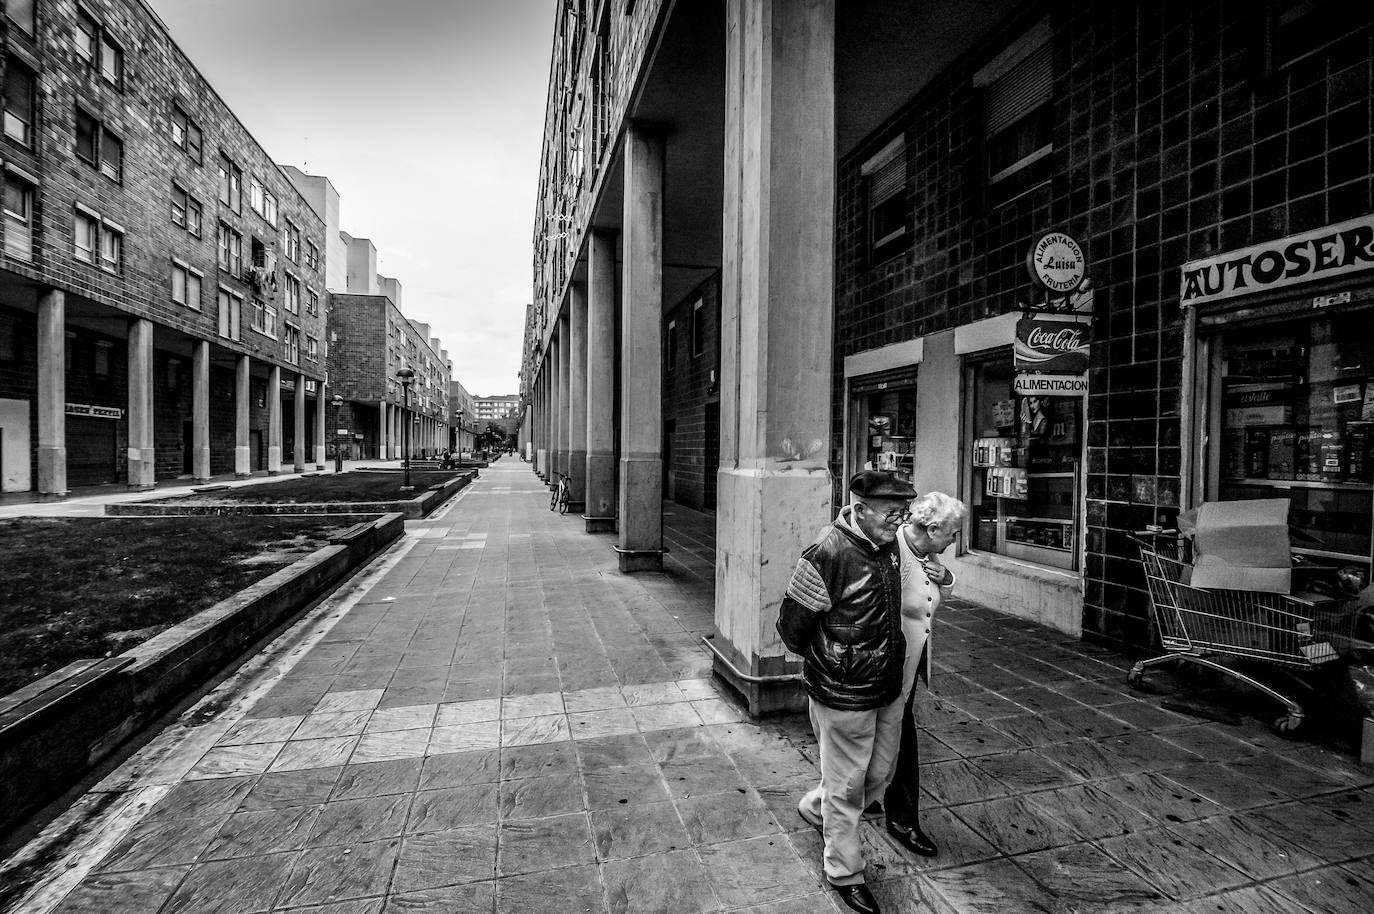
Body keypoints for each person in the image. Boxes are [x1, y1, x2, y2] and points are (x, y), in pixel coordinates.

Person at [777, 470, 916, 914]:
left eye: (903, 512)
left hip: (887, 684)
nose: (898, 521)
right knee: (848, 787)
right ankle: (845, 871)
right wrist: (837, 659)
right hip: (843, 690)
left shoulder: (889, 545)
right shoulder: (827, 552)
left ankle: (817, 807)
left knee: (878, 774)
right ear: (859, 509)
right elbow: (792, 629)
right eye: (890, 513)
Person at [879, 491, 966, 858]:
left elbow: (927, 598)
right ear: (932, 529)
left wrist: (947, 579)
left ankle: (871, 799)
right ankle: (901, 818)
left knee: (888, 734)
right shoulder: (891, 552)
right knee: (894, 737)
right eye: (953, 533)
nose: (955, 540)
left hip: (908, 668)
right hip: (885, 667)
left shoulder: (926, 553)